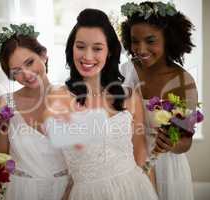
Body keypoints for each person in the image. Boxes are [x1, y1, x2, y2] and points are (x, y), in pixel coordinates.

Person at [43, 8, 158, 200]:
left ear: (110, 52)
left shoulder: (130, 97)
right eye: (80, 46)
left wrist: (154, 193)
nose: (87, 57)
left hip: (135, 190)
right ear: (72, 49)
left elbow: (142, 156)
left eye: (97, 48)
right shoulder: (58, 98)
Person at [120, 1, 198, 200]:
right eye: (135, 41)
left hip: (166, 169)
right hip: (130, 163)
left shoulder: (183, 81)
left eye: (150, 40)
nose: (141, 49)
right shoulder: (125, 71)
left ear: (168, 39)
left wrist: (173, 142)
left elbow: (185, 142)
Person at [0, 24, 69, 200]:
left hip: (65, 191)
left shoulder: (71, 97)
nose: (26, 74)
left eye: (29, 62)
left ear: (43, 55)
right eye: (17, 71)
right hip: (21, 191)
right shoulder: (5, 104)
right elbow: (2, 158)